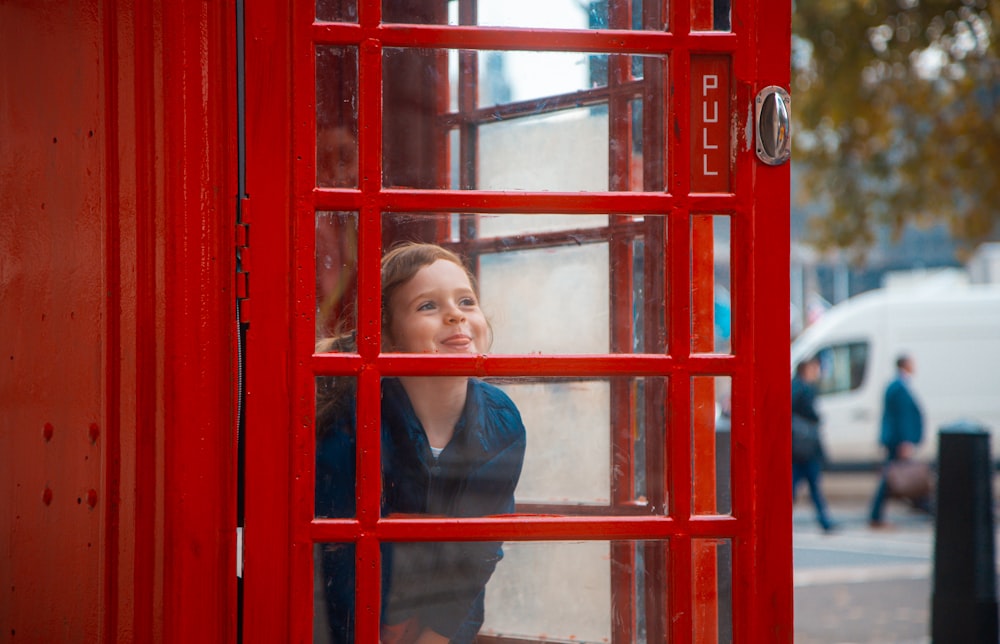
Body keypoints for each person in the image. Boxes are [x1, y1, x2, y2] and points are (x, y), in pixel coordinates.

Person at [315, 242, 527, 644]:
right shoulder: (350, 416)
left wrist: (438, 636)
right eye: (427, 306)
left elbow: (478, 550)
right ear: (388, 336)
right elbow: (338, 553)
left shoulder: (503, 422)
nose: (455, 314)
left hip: (440, 623)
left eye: (466, 301)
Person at [869, 354, 931, 528]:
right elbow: (902, 416)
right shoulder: (898, 387)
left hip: (895, 440)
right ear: (906, 365)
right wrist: (906, 440)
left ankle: (923, 506)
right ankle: (876, 516)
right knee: (892, 477)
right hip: (897, 441)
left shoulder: (898, 385)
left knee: (895, 476)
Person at [791, 356, 837, 533]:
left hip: (800, 448)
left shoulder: (797, 386)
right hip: (805, 448)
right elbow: (809, 415)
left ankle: (824, 520)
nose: (816, 373)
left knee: (809, 486)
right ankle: (824, 520)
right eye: (813, 369)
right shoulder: (803, 388)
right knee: (806, 486)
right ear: (806, 370)